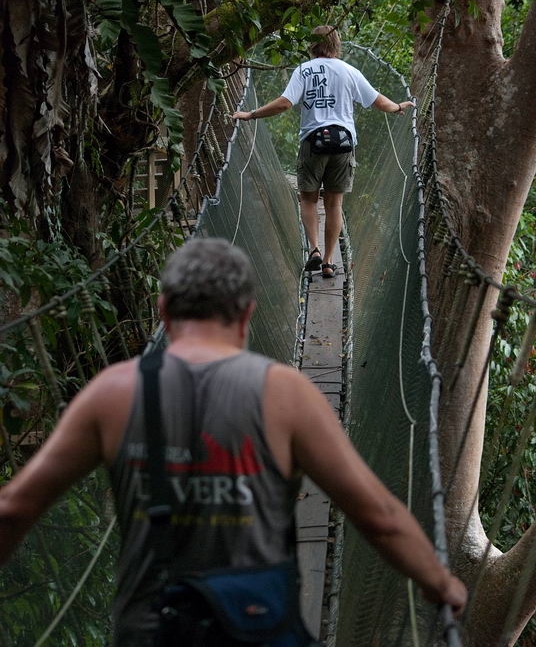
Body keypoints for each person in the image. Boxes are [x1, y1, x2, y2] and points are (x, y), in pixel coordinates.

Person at [0, 239, 465, 646]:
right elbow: (377, 516)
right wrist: (439, 584)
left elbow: (14, 508)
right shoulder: (286, 394)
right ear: (246, 313)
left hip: (149, 631)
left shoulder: (113, 394)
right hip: (257, 628)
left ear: (164, 310)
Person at [233, 25, 414, 277]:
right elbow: (377, 100)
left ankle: (314, 250)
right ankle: (329, 262)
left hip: (312, 142)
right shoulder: (349, 71)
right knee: (334, 203)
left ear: (312, 44)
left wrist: (251, 114)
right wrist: (397, 107)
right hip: (343, 144)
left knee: (308, 198)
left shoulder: (304, 70)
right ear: (336, 44)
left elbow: (285, 104)